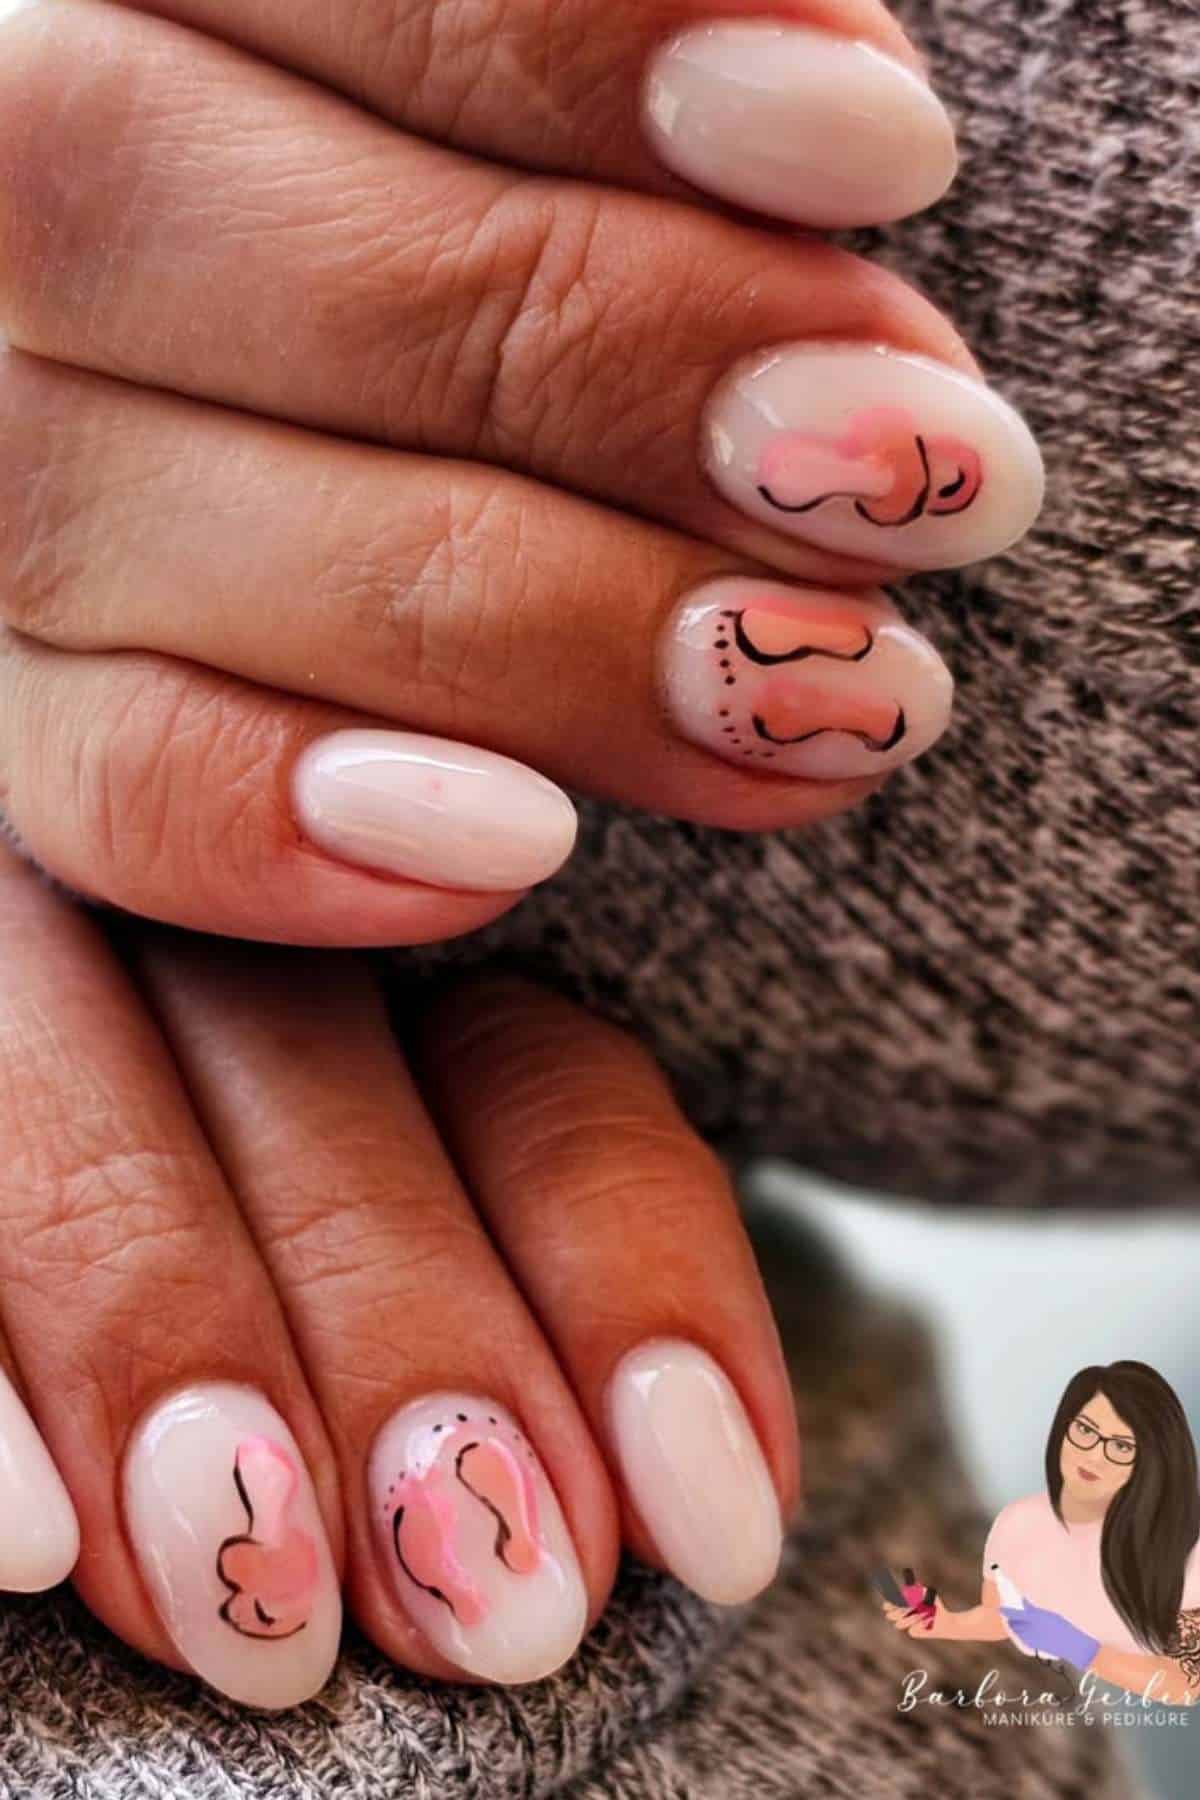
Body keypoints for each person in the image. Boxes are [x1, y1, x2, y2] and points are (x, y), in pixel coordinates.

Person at [884, 1362, 1200, 1707]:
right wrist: (949, 1623)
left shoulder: (1185, 1545)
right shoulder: (1018, 1522)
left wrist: (1079, 1648)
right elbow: (1003, 1617)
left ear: (1151, 1460)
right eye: (1085, 1429)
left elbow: (1184, 1686)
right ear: (1063, 1426)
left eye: (1121, 1447)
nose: (1094, 1455)